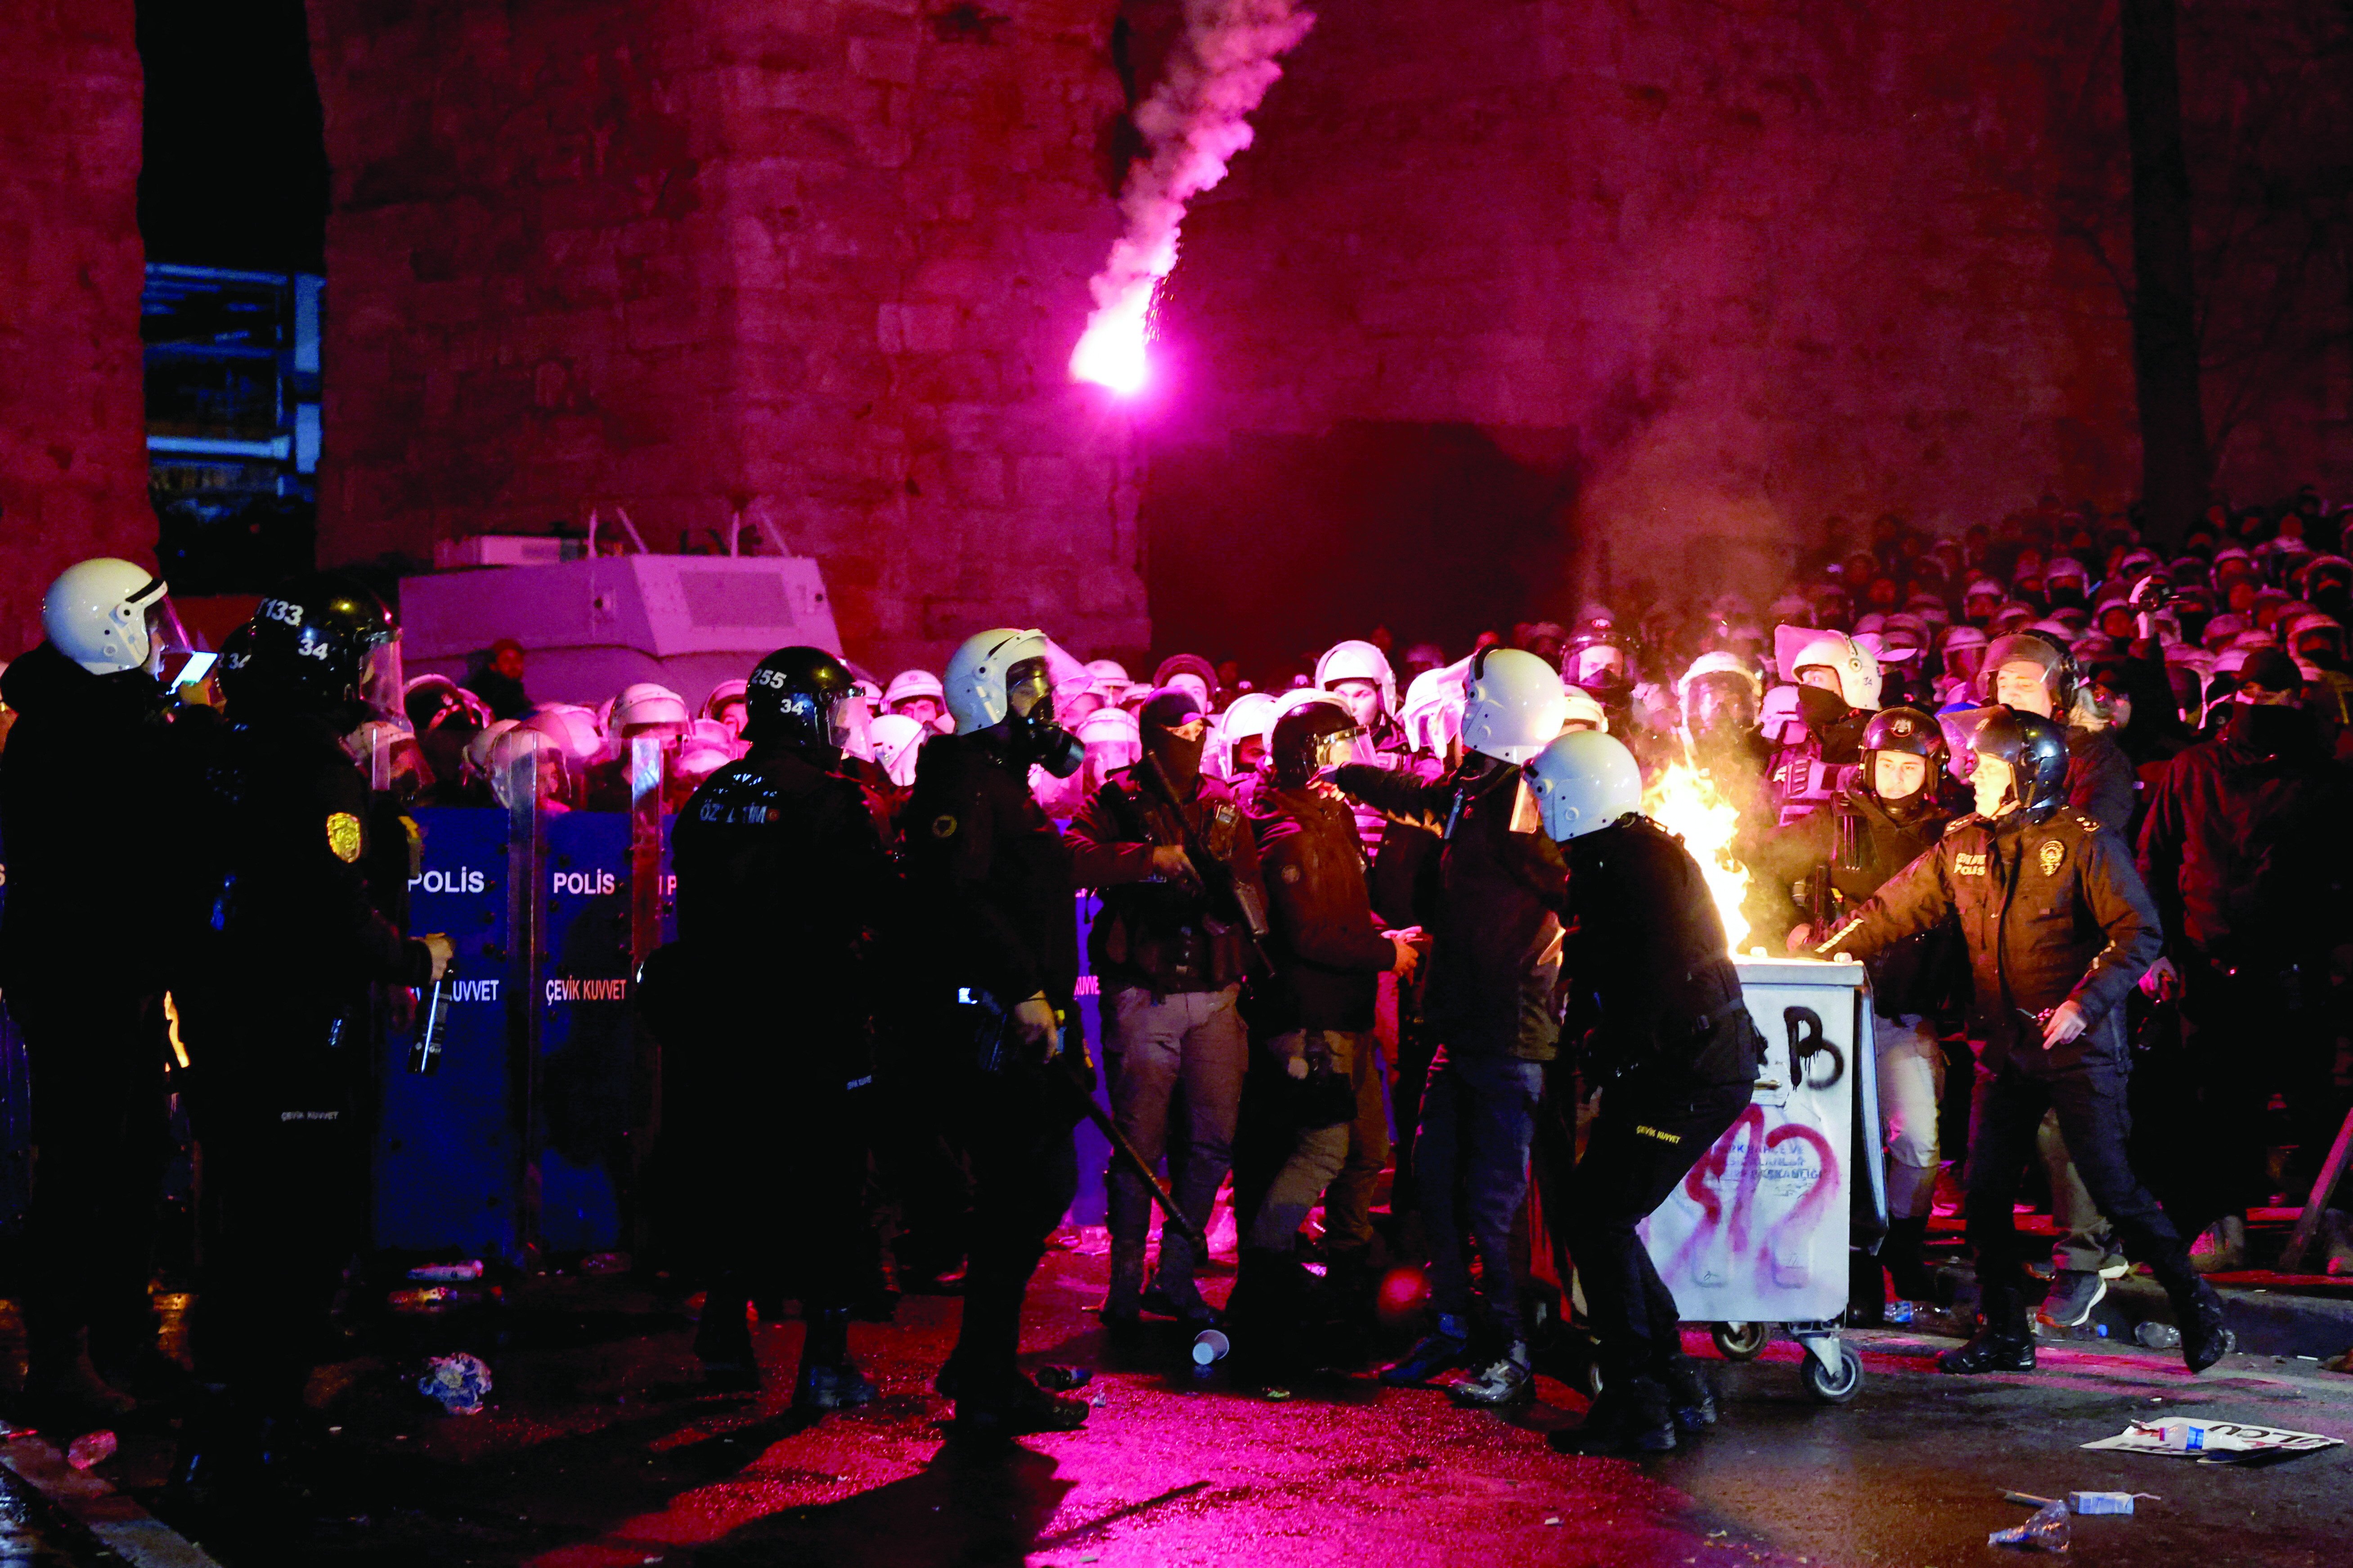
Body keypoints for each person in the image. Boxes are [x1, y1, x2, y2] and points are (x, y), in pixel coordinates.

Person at [1814, 708, 2232, 1376]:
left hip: (2078, 1047)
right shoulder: (1965, 842)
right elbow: (1890, 910)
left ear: (2026, 773)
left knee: (2113, 1186)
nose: (1970, 775)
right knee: (1983, 1194)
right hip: (2003, 1048)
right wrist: (1813, 955)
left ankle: (2197, 1306)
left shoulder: (2083, 841)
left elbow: (2136, 933)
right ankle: (2005, 1331)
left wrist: (2081, 1004)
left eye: (1985, 765)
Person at [168, 573, 454, 1494]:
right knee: (295, 1236)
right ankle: (265, 1430)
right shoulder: (313, 764)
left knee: (237, 1229)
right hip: (298, 1034)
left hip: (227, 1024)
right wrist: (413, 957)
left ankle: (225, 1418)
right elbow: (332, 909)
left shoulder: (225, 745)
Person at [1330, 648, 1569, 1408]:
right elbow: (1424, 798)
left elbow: (1571, 888)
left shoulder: (1530, 799)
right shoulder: (1480, 786)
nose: (1462, 709)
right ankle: (1454, 1327)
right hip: (1463, 1026)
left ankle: (1510, 1353)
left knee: (1493, 1201)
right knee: (1435, 1187)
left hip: (1509, 1031)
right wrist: (1350, 772)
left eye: (1473, 698)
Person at [665, 646, 894, 1408]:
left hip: (722, 1025)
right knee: (831, 1190)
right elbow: (871, 915)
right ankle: (824, 1363)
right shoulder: (833, 803)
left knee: (736, 1177)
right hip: (812, 1024)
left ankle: (726, 1332)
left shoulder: (712, 795)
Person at [0, 559, 198, 1425]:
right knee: (83, 1165)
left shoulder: (90, 716)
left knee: (135, 1155)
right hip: (85, 974)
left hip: (107, 968)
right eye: (151, 624)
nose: (164, 642)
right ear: (113, 629)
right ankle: (62, 1355)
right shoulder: (88, 729)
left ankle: (120, 1335)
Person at [1531, 730, 1767, 1453]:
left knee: (1595, 1217)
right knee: (1602, 1212)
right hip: (1695, 1063)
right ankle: (1672, 1385)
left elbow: (1634, 983)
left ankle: (1639, 1401)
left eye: (1543, 793)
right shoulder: (1640, 849)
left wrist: (1604, 1057)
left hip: (1684, 1071)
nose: (1538, 807)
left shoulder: (1616, 866)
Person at [901, 627, 1093, 1436]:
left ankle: (983, 1363)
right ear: (984, 693)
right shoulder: (965, 778)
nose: (1042, 701)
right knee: (1026, 1188)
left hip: (1026, 1010)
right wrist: (1020, 993)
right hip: (992, 1018)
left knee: (1029, 1190)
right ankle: (985, 1375)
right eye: (1025, 686)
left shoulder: (1004, 780)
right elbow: (965, 899)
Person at [2136, 646, 2353, 1271]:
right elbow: (2155, 860)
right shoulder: (2192, 768)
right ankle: (2221, 1225)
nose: (2262, 708)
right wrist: (2158, 952)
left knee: (2315, 1101)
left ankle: (2334, 1226)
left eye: (2275, 698)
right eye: (2251, 696)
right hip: (2208, 963)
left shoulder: (2326, 776)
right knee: (2219, 1104)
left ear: (2295, 701)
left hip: (2303, 968)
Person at [1738, 708, 1963, 1308]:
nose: (1895, 775)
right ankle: (1850, 1259)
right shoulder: (1826, 822)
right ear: (1865, 764)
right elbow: (1755, 869)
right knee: (1827, 1139)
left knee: (1916, 1139)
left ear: (1932, 769)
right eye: (1885, 763)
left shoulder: (1950, 833)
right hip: (1826, 1011)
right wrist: (1785, 926)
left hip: (1903, 1012)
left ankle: (1903, 1247)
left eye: (1909, 765)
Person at [1227, 699, 1420, 1381]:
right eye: (1338, 745)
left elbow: (1343, 906)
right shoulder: (1286, 828)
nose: (1351, 756)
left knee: (1368, 1147)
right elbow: (1307, 931)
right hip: (1313, 1020)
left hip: (1349, 1014)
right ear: (1312, 754)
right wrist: (1382, 955)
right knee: (1324, 1147)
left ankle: (1344, 1285)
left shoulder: (1327, 815)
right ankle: (1265, 1277)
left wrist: (1381, 935)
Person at [1066, 685, 1268, 1329]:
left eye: (1199, 729)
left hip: (1214, 992)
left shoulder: (1222, 803)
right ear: (1154, 736)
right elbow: (1071, 857)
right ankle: (1125, 1281)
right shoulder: (1118, 799)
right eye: (1181, 731)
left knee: (1211, 1141)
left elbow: (1251, 891)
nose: (1194, 739)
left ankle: (1176, 1274)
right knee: (1137, 1145)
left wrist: (1229, 916)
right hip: (1143, 991)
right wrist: (1147, 860)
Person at [464, 636, 532, 720]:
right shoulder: (488, 694)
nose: (513, 665)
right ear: (493, 666)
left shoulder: (517, 693)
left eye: (517, 660)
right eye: (506, 660)